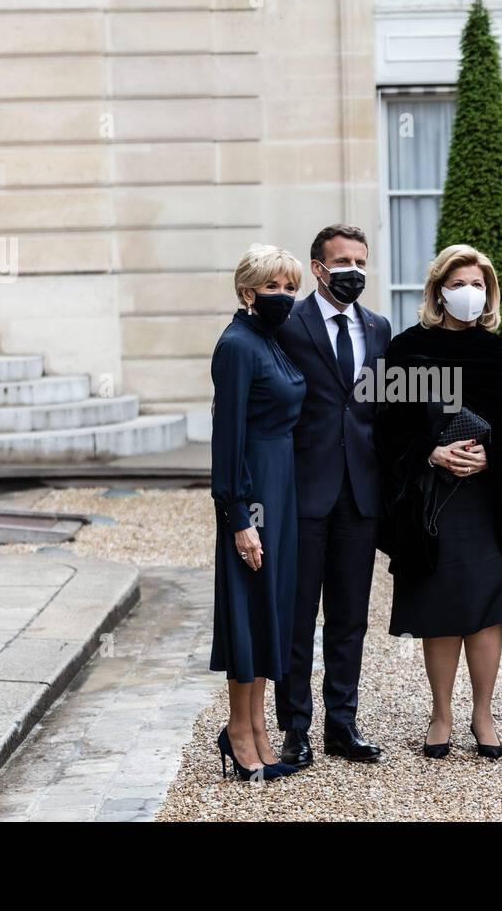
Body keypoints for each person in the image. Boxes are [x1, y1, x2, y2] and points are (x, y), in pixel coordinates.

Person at [375, 244, 502, 759]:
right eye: (460, 283)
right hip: (430, 500)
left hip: (490, 500)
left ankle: (482, 713)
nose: (470, 292)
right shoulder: (405, 349)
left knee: (486, 609)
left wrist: (493, 458)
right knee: (441, 605)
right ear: (439, 290)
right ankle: (440, 712)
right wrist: (432, 452)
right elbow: (385, 428)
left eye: (479, 284)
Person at [273, 225, 389, 767]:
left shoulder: (379, 327)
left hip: (360, 495)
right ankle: (296, 728)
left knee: (349, 617)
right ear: (318, 268)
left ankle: (342, 724)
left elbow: (380, 412)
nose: (354, 271)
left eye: (361, 261)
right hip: (302, 492)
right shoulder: (288, 325)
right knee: (298, 617)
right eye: (343, 261)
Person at [209, 244, 306, 782]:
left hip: (283, 488)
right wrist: (239, 516)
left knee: (271, 610)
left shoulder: (269, 340)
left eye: (290, 287)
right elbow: (228, 438)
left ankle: (261, 729)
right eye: (274, 288)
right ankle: (238, 733)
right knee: (248, 610)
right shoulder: (237, 346)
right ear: (248, 292)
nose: (285, 297)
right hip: (253, 496)